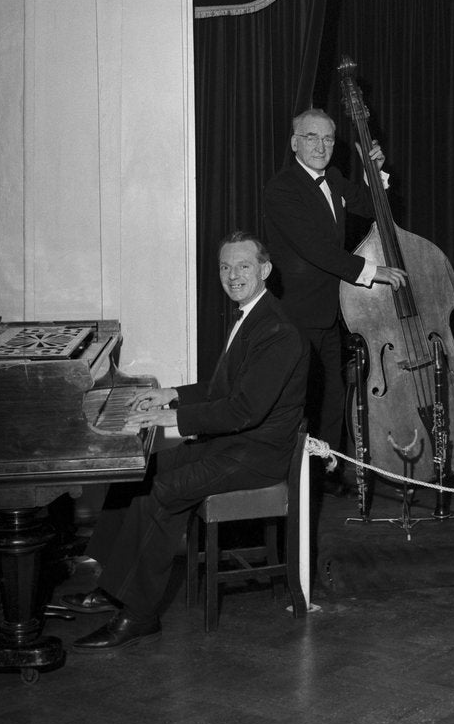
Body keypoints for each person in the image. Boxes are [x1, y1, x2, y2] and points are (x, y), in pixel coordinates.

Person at [64, 231, 310, 652]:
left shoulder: (278, 331)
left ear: (265, 270)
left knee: (165, 490)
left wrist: (171, 418)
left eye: (243, 266)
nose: (233, 275)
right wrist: (171, 394)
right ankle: (111, 586)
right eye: (225, 267)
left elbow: (243, 410)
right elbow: (225, 390)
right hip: (233, 444)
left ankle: (140, 614)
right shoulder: (253, 316)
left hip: (257, 455)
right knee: (139, 471)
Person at [262, 108, 407, 463]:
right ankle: (297, 475)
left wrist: (375, 173)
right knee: (300, 401)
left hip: (330, 311)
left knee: (332, 397)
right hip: (296, 314)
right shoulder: (282, 188)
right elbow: (316, 249)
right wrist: (372, 271)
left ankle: (328, 469)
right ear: (294, 143)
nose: (320, 146)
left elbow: (373, 208)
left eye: (327, 138)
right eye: (311, 137)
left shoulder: (336, 178)